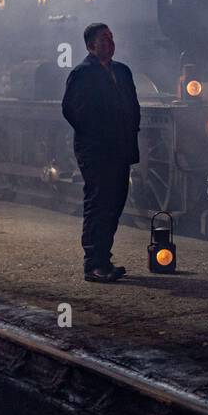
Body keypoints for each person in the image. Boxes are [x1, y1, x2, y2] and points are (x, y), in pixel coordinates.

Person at [61, 23, 141, 282]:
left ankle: (104, 260)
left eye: (111, 38)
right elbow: (72, 111)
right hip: (97, 151)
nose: (109, 43)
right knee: (99, 203)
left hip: (121, 149)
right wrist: (100, 135)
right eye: (103, 39)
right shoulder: (82, 74)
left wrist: (130, 131)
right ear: (90, 46)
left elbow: (133, 106)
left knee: (115, 203)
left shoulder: (122, 71)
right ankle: (93, 264)